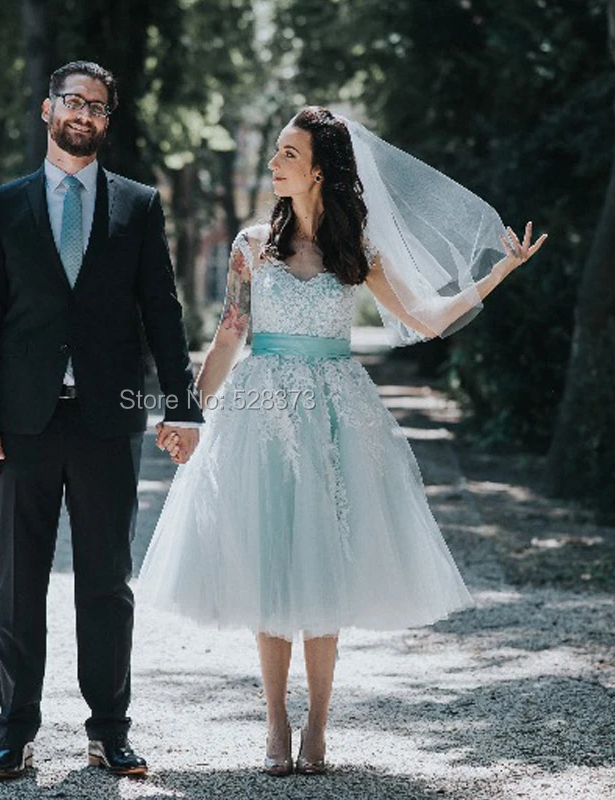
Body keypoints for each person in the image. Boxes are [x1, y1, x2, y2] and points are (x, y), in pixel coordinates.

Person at [143, 106, 546, 775]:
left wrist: (498, 271)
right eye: (275, 152)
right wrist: (188, 413)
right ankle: (275, 724)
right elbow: (228, 336)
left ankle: (319, 727)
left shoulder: (358, 252)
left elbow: (424, 318)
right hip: (263, 412)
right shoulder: (251, 247)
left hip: (335, 413)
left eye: (288, 155)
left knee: (323, 566)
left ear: (321, 171)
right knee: (270, 560)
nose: (274, 163)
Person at [0, 60, 203, 779]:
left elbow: (162, 311)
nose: (84, 114)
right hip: (24, 423)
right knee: (18, 581)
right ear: (47, 110)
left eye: (98, 106)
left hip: (107, 422)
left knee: (106, 582)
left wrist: (182, 407)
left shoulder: (137, 204)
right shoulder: (5, 205)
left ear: (107, 119)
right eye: (73, 101)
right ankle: (15, 730)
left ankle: (110, 730)